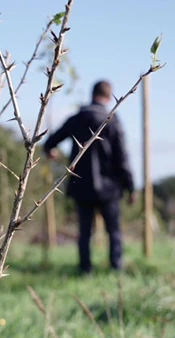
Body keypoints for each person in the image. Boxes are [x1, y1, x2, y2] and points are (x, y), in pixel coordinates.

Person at [43, 80, 136, 274]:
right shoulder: (113, 120)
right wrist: (131, 187)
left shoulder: (77, 118)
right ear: (109, 97)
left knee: (84, 232)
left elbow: (51, 141)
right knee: (114, 231)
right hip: (110, 188)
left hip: (81, 185)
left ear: (92, 94)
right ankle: (116, 267)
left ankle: (85, 269)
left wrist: (50, 150)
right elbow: (122, 157)